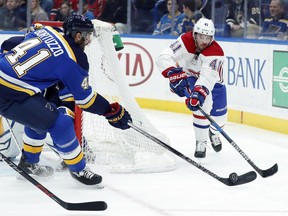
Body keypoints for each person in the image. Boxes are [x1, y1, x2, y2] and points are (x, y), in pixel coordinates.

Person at [0, 14, 132, 185]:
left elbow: (9, 43)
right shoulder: (74, 59)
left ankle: (29, 164)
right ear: (78, 35)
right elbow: (86, 101)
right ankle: (79, 169)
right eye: (87, 36)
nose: (89, 41)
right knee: (60, 123)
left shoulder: (47, 31)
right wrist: (110, 111)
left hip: (11, 87)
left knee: (40, 116)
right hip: (9, 94)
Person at [155, 18, 227, 158]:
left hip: (214, 81)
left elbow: (207, 77)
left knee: (220, 117)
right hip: (191, 76)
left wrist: (199, 92)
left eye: (208, 37)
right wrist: (173, 73)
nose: (204, 41)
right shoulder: (185, 41)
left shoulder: (216, 52)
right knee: (202, 104)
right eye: (201, 36)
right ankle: (201, 142)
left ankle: (214, 132)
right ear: (194, 34)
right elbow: (163, 57)